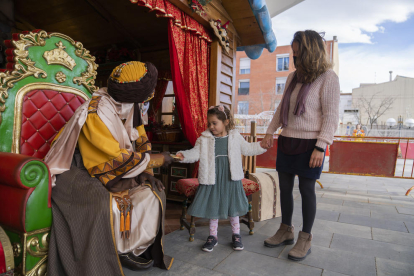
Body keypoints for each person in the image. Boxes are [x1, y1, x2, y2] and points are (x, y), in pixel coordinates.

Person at [44, 61, 174, 275]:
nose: (148, 98)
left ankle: (131, 248)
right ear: (135, 93)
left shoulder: (131, 105)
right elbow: (112, 158)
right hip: (77, 166)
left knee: (154, 191)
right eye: (148, 94)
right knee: (99, 202)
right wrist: (158, 159)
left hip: (115, 166)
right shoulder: (96, 112)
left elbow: (141, 141)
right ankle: (105, 257)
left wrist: (148, 173)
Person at [261, 30, 340, 261]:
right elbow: (281, 108)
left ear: (310, 51)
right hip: (288, 138)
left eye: (297, 52)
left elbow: (331, 116)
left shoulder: (328, 77)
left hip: (311, 144)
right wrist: (269, 131)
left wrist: (321, 146)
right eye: (293, 52)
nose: (294, 57)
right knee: (285, 187)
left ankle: (305, 238)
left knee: (307, 190)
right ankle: (286, 230)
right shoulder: (293, 77)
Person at [176, 105, 266, 252]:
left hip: (231, 177)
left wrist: (262, 145)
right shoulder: (204, 139)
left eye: (214, 123)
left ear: (226, 122)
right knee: (214, 205)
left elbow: (248, 149)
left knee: (233, 206)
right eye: (209, 123)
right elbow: (195, 153)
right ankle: (212, 236)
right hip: (213, 177)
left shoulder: (235, 137)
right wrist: (183, 155)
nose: (211, 126)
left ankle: (236, 234)